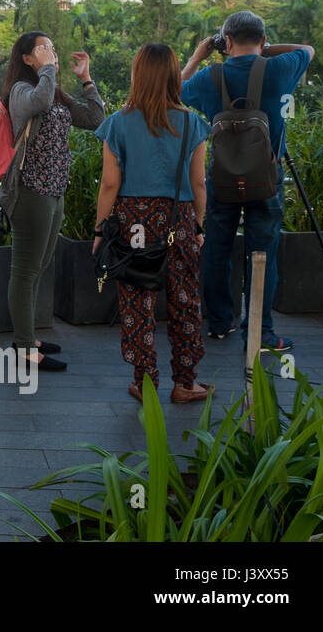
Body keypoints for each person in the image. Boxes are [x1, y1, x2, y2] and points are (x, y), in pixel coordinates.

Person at [180, 11, 313, 353]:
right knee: (263, 253)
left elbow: (174, 92)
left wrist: (199, 55)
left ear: (225, 42)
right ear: (264, 40)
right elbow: (307, 49)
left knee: (217, 250)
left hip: (222, 178)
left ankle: (218, 323)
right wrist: (264, 50)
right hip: (266, 177)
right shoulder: (281, 68)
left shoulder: (211, 75)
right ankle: (261, 333)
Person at [93, 44, 212, 402]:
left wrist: (100, 229)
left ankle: (145, 382)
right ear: (175, 76)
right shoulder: (192, 123)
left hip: (135, 224)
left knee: (137, 300)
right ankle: (185, 383)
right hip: (179, 219)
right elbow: (199, 183)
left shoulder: (118, 123)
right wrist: (199, 225)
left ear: (137, 75)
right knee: (185, 300)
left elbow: (110, 184)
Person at [0, 31, 107, 371]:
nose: (51, 52)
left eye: (52, 46)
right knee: (26, 270)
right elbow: (39, 103)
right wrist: (48, 70)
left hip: (55, 189)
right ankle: (24, 348)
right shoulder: (21, 91)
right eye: (42, 48)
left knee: (40, 267)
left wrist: (86, 80)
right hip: (30, 190)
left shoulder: (55, 92)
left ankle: (26, 337)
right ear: (27, 58)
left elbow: (94, 120)